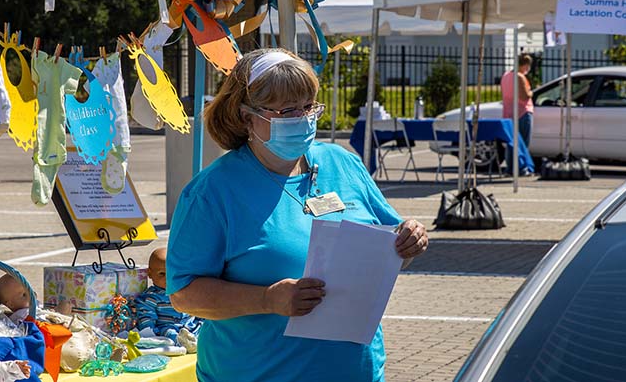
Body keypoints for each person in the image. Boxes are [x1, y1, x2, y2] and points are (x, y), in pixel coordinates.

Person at [166, 48, 429, 382]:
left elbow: (388, 246)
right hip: (256, 373)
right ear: (247, 117)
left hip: (356, 372)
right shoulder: (213, 191)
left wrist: (409, 239)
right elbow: (184, 294)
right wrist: (266, 299)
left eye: (309, 106)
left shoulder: (341, 163)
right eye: (288, 110)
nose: (304, 119)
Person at [134, 248, 201, 353]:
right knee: (168, 333)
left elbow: (198, 309)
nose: (168, 279)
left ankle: (197, 340)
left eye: (172, 274)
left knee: (205, 324)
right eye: (162, 274)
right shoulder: (152, 297)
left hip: (189, 325)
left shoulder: (186, 290)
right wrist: (152, 334)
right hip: (168, 327)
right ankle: (184, 343)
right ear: (150, 273)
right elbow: (146, 318)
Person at [501, 53, 534, 175]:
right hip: (522, 112)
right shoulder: (520, 77)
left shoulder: (506, 76)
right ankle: (521, 168)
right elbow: (525, 96)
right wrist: (532, 92)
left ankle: (510, 168)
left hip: (509, 113)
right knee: (522, 143)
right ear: (525, 65)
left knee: (511, 143)